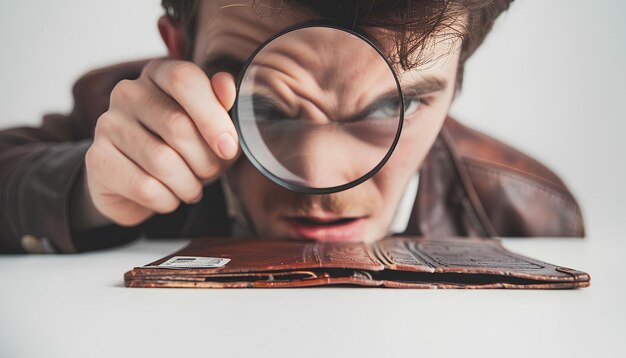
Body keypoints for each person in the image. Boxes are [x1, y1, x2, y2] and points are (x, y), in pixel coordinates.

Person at [0, 0, 584, 254]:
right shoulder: (119, 115)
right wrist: (87, 195)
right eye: (267, 107)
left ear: (457, 79)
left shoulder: (529, 216)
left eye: (391, 109)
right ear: (180, 51)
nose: (320, 178)